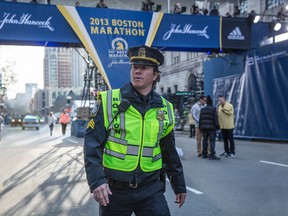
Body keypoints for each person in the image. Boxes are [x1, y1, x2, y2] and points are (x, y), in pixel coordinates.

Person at [84, 45, 186, 216]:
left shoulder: (165, 108)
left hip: (151, 190)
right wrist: (96, 181)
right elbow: (92, 145)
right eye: (134, 67)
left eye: (144, 68)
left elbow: (168, 151)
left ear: (155, 75)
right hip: (114, 191)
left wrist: (179, 185)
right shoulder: (109, 100)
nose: (137, 71)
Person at [199, 95, 220, 160]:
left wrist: (200, 127)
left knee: (205, 140)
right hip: (211, 128)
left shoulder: (202, 109)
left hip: (204, 128)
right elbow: (215, 119)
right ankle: (212, 154)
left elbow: (201, 119)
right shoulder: (213, 109)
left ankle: (204, 154)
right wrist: (218, 126)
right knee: (212, 141)